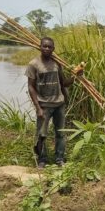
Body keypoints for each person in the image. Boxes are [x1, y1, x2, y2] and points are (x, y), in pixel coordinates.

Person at [25, 37, 81, 168]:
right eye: (44, 46)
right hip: (44, 105)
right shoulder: (33, 64)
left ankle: (59, 159)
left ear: (53, 49)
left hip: (59, 104)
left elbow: (63, 83)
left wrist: (75, 76)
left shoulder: (57, 63)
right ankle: (42, 160)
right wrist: (38, 107)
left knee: (60, 133)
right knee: (41, 134)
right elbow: (31, 87)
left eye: (49, 47)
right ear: (40, 47)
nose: (46, 49)